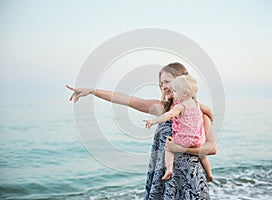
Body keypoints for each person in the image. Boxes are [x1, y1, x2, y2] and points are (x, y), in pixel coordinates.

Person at [66, 62, 217, 199]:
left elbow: (211, 148)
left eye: (167, 82)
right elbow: (126, 99)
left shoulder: (198, 112)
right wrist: (93, 91)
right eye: (160, 83)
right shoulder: (161, 108)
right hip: (163, 180)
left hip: (191, 180)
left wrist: (180, 148)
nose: (163, 87)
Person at [144, 75, 213, 182]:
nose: (174, 93)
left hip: (184, 140)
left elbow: (169, 115)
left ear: (184, 93)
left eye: (175, 91)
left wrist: (153, 121)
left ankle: (169, 170)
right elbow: (208, 110)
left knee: (169, 147)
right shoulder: (196, 104)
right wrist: (211, 120)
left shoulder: (180, 106)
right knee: (202, 155)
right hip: (199, 140)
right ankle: (209, 173)